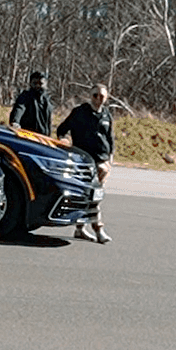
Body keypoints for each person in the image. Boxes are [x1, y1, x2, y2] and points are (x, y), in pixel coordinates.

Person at [58, 84, 115, 244]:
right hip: (85, 162)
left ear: (107, 97)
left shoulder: (106, 115)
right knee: (92, 197)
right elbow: (62, 129)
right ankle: (99, 230)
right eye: (95, 95)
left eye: (102, 96)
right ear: (90, 96)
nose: (98, 99)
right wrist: (64, 141)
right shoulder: (80, 112)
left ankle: (80, 228)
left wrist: (110, 158)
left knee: (91, 197)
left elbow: (110, 138)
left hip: (102, 163)